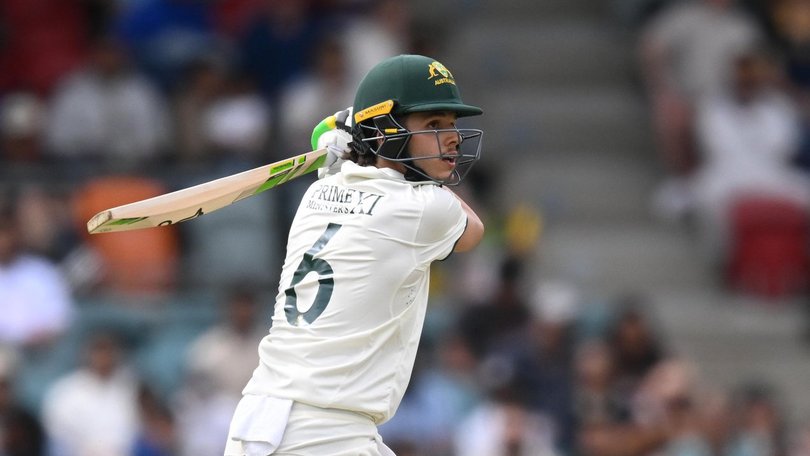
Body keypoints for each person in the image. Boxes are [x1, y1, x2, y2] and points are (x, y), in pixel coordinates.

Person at [224, 54, 485, 456]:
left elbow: (361, 174)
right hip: (322, 433)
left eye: (452, 125)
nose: (451, 138)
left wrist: (356, 145)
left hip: (264, 419)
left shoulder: (318, 192)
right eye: (433, 125)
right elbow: (474, 230)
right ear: (386, 132)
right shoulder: (420, 209)